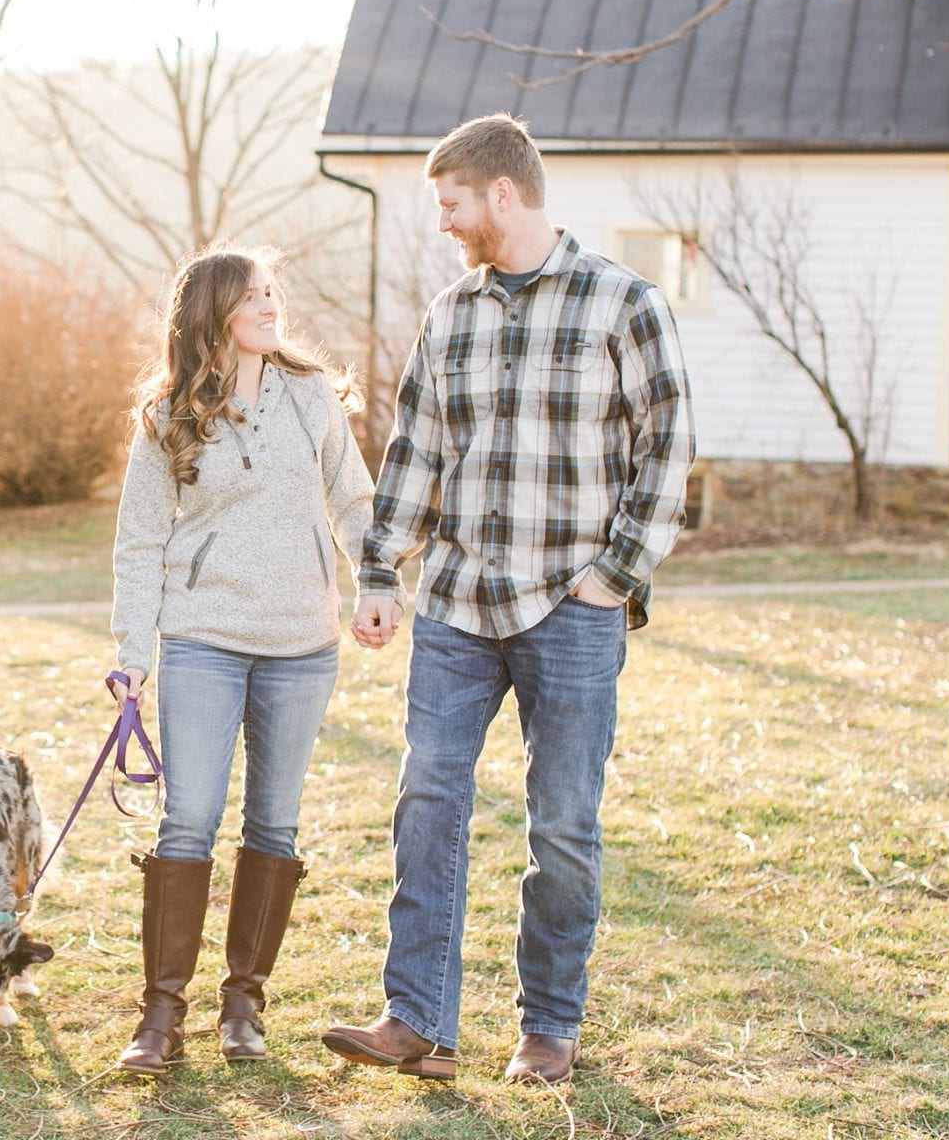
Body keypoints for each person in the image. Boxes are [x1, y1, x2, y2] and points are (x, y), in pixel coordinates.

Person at [320, 113, 695, 1085]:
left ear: (501, 194)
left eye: (451, 204)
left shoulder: (625, 304)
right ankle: (417, 1023)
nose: (444, 223)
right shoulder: (452, 315)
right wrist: (379, 573)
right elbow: (414, 455)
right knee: (427, 801)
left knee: (562, 823)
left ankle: (548, 1028)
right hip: (455, 607)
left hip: (571, 612)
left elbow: (667, 455)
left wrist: (613, 577)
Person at [109, 243, 375, 1075]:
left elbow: (355, 499)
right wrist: (132, 651)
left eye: (272, 292)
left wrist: (375, 583)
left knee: (275, 824)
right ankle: (161, 1014)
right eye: (253, 295)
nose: (271, 305)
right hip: (202, 641)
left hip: (302, 643)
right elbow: (139, 541)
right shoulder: (166, 416)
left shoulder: (311, 397)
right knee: (187, 820)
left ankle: (243, 1004)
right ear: (213, 313)